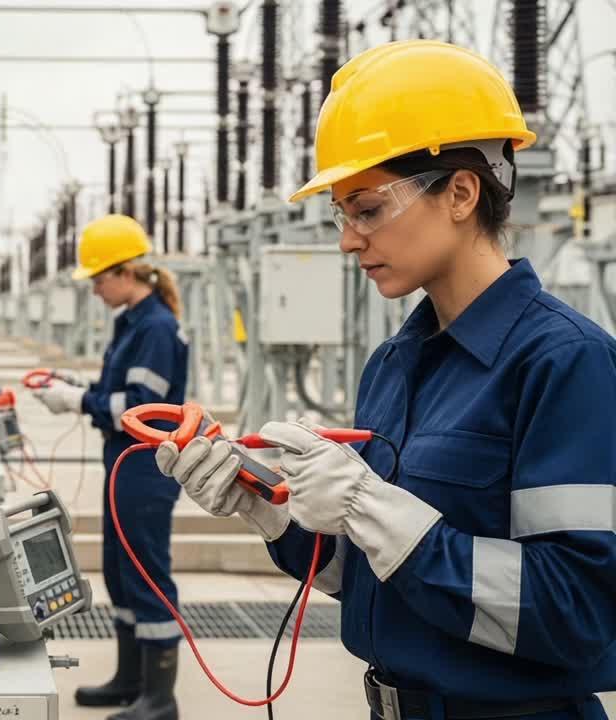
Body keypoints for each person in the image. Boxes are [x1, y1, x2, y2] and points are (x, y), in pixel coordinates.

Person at [155, 40, 616, 720]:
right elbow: (376, 575)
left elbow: (577, 613)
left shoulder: (565, 364)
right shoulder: (395, 363)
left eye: (367, 209)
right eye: (344, 214)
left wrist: (377, 509)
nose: (347, 239)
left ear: (461, 192)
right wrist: (270, 509)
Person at [34, 214, 188, 720]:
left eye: (99, 279)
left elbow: (142, 404)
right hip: (121, 461)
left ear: (127, 272)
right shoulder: (132, 323)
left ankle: (160, 697)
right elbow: (114, 391)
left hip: (146, 466)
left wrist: (79, 401)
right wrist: (74, 387)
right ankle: (131, 679)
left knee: (146, 572)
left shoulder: (159, 328)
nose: (96, 290)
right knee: (122, 574)